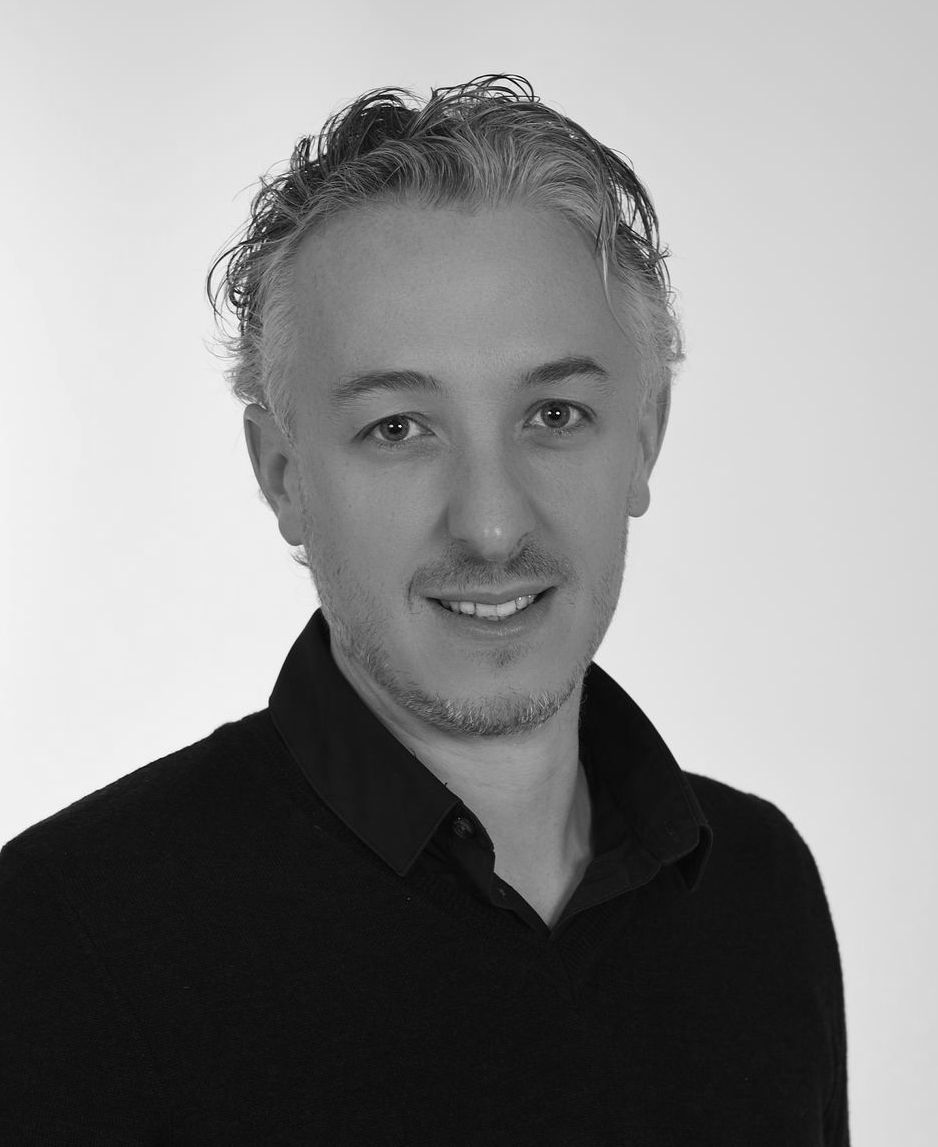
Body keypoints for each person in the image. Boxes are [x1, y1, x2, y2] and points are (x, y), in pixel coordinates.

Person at [0, 75, 849, 1144]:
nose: (490, 526)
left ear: (645, 438)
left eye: (555, 413)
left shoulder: (758, 890)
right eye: (398, 428)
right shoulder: (62, 940)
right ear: (281, 474)